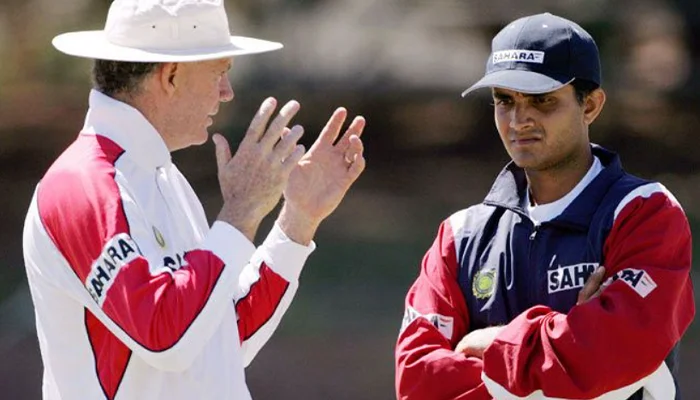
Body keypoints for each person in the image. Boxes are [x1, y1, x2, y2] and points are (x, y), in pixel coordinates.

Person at [22, 0, 366, 399]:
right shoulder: (81, 185)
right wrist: (240, 212)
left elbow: (219, 337)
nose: (227, 93)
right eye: (220, 72)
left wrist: (298, 222)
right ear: (170, 76)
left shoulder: (162, 177)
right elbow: (165, 337)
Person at [395, 12, 694, 400]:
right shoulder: (459, 235)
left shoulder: (644, 212)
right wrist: (565, 334)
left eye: (542, 100)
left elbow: (611, 354)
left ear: (591, 106)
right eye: (505, 100)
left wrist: (493, 340)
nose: (520, 119)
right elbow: (419, 383)